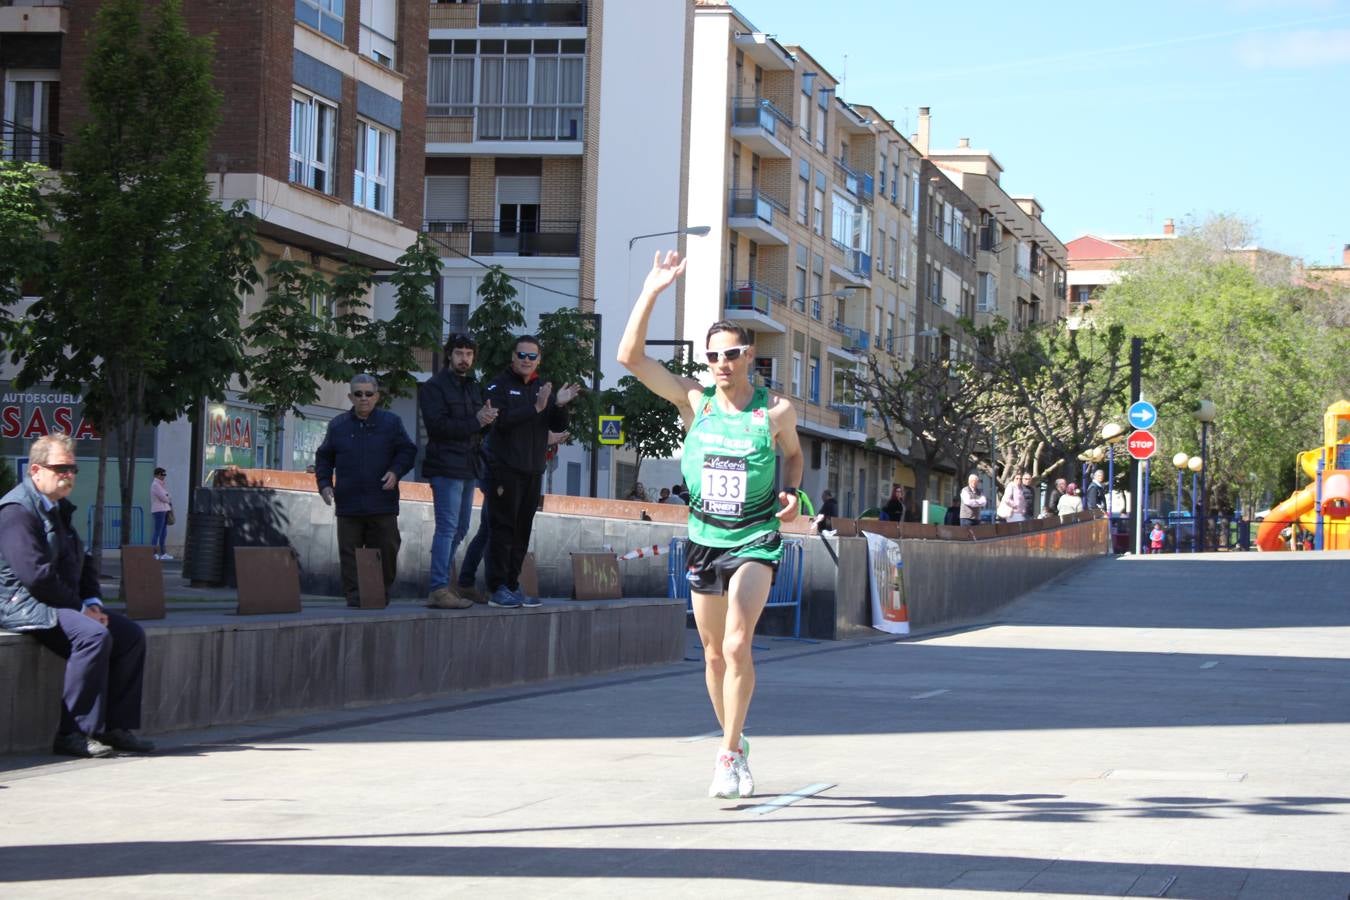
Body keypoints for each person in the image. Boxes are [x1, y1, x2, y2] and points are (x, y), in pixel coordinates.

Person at [619, 249, 804, 801]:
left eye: (731, 354)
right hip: (704, 538)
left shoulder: (774, 413)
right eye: (713, 356)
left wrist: (792, 493)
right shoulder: (694, 402)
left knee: (739, 641)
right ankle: (738, 740)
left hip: (755, 537)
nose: (721, 363)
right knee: (712, 652)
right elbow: (630, 357)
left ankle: (725, 755)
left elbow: (793, 459)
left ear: (748, 355)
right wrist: (652, 289)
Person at [0, 432, 153, 757]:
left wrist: (93, 602)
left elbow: (81, 565)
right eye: (60, 469)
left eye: (72, 469)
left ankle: (115, 727)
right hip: (20, 605)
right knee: (93, 636)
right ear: (35, 470)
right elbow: (35, 577)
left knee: (130, 636)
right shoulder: (16, 512)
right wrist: (81, 610)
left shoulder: (57, 509)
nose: (68, 475)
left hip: (55, 603)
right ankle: (73, 733)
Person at [482, 335, 579, 609]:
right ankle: (497, 587)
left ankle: (512, 586)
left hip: (533, 470)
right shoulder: (498, 385)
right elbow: (500, 422)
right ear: (513, 357)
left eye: (531, 356)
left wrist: (558, 405)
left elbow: (556, 425)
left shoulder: (541, 387)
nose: (526, 360)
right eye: (521, 355)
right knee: (502, 529)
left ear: (539, 359)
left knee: (522, 531)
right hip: (505, 470)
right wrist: (534, 407)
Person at [315, 375, 417, 607]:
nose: (363, 398)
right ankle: (354, 597)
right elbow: (324, 457)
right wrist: (324, 484)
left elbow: (408, 451)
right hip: (349, 502)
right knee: (349, 554)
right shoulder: (338, 425)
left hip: (382, 500)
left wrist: (395, 471)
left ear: (377, 396)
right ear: (350, 397)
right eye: (358, 394)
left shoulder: (391, 423)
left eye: (368, 394)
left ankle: (381, 594)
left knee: (387, 550)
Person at [420, 333, 497, 610]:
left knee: (462, 527)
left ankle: (444, 585)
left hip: (468, 465)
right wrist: (475, 420)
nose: (464, 358)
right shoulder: (434, 387)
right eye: (459, 353)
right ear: (449, 355)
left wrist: (486, 421)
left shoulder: (473, 386)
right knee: (447, 527)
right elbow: (438, 428)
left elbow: (476, 427)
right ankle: (438, 587)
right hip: (445, 465)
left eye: (468, 354)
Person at [454, 428, 569, 604]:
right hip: (498, 474)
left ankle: (474, 582)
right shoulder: (515, 414)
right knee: (491, 531)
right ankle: (482, 584)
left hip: (499, 472)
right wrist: (542, 439)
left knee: (488, 531)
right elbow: (507, 443)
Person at [149, 467, 173, 560]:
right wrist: (167, 498)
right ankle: (153, 553)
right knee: (157, 532)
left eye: (164, 474)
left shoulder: (161, 485)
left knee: (163, 532)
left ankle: (163, 553)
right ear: (157, 475)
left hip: (164, 509)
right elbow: (164, 497)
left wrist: (167, 497)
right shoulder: (155, 485)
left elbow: (168, 495)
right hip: (159, 510)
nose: (164, 476)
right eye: (163, 474)